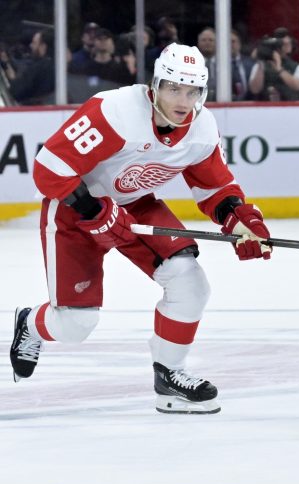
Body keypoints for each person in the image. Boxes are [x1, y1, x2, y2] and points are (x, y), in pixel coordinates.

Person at [9, 43, 272, 415]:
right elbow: (49, 167)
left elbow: (215, 188)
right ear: (155, 85)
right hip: (73, 209)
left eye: (193, 91)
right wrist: (91, 208)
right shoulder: (115, 112)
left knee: (189, 282)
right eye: (174, 89)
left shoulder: (201, 128)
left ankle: (170, 376)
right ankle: (31, 325)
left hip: (134, 205)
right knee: (75, 325)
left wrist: (239, 219)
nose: (183, 100)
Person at [6, 29, 55, 105]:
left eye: (34, 43)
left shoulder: (38, 68)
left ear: (43, 46)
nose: (31, 45)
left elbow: (16, 93)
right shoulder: (60, 66)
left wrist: (13, 79)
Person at [230, 29, 256, 100]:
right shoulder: (216, 65)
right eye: (227, 42)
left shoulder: (251, 64)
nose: (230, 44)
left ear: (239, 44)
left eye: (233, 41)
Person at [197, 27, 216, 101]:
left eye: (211, 40)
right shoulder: (192, 66)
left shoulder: (226, 65)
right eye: (204, 40)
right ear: (198, 43)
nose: (207, 42)